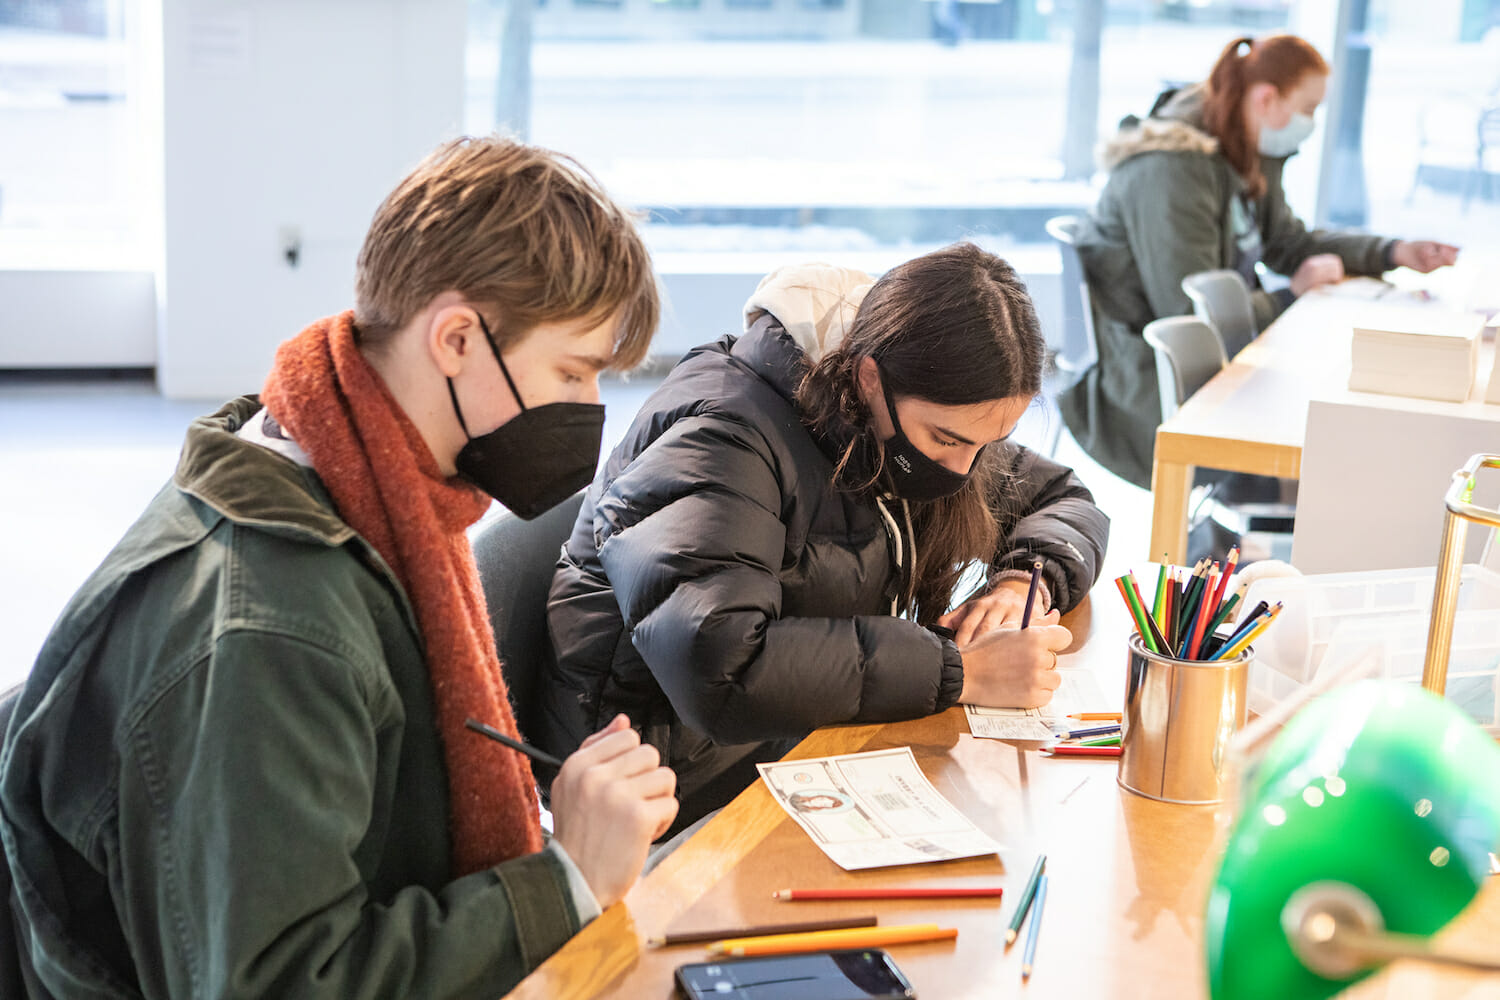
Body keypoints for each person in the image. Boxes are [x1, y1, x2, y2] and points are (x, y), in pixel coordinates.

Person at [0, 136, 679, 999]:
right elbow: (281, 983)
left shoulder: (331, 472)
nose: (589, 409)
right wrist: (567, 879)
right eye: (573, 372)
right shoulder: (276, 629)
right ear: (459, 339)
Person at [542, 244, 1110, 835]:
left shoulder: (905, 409)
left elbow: (1062, 497)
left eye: (986, 445)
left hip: (801, 734)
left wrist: (1021, 582)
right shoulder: (724, 435)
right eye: (946, 440)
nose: (964, 470)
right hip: (662, 775)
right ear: (870, 379)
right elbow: (720, 665)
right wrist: (962, 671)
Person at [1059, 33, 1461, 490]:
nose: (1311, 123)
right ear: (1268, 98)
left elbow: (1286, 242)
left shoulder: (1241, 150)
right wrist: (1289, 294)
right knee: (1340, 424)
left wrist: (1392, 252)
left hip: (1213, 360)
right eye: (1309, 108)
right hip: (1151, 384)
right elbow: (1192, 315)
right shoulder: (1170, 171)